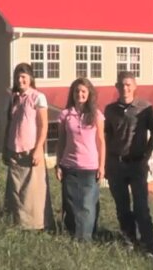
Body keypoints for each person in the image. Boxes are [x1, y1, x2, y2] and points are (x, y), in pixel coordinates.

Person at [104, 71, 153, 252]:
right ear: (116, 86)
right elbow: (106, 136)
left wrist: (147, 155)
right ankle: (129, 240)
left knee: (141, 207)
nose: (125, 88)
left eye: (129, 84)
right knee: (122, 206)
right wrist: (106, 162)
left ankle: (148, 243)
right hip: (116, 164)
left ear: (135, 86)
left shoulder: (145, 108)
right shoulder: (110, 109)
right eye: (121, 84)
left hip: (137, 164)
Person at [3, 63, 54, 230]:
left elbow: (43, 125)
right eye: (18, 77)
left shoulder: (38, 97)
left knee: (32, 192)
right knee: (15, 189)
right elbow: (9, 123)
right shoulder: (14, 98)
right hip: (14, 149)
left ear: (30, 78)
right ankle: (17, 222)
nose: (20, 80)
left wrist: (39, 148)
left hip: (30, 150)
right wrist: (5, 146)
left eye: (23, 76)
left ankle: (36, 225)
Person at [55, 77, 105, 241]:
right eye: (77, 91)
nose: (80, 94)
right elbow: (61, 140)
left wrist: (102, 166)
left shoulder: (96, 114)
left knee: (87, 206)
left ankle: (85, 239)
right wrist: (58, 164)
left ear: (89, 94)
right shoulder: (65, 114)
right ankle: (71, 235)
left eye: (83, 91)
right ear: (72, 93)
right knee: (70, 204)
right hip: (69, 165)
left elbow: (100, 141)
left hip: (90, 167)